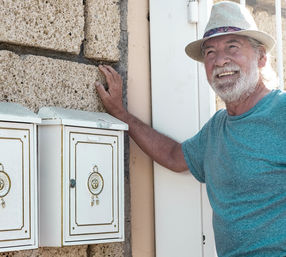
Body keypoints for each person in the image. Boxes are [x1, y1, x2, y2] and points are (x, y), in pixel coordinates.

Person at [95, 1, 286, 257]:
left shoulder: (281, 111)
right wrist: (121, 115)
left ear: (261, 57)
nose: (220, 61)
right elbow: (174, 155)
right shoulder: (217, 128)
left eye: (232, 47)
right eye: (210, 53)